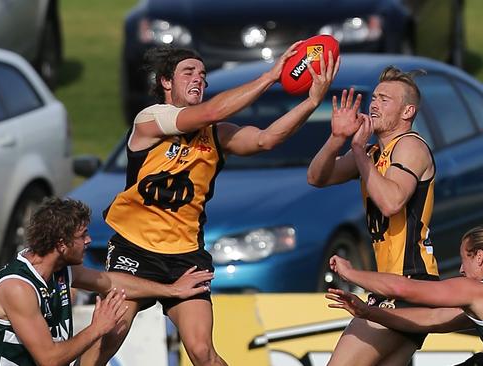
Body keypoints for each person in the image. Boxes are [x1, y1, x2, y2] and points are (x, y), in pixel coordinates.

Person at [81, 44, 339, 366]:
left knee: (202, 351)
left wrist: (312, 102)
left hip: (185, 255)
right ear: (165, 82)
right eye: (188, 72)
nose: (198, 79)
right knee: (110, 335)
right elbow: (212, 111)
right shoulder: (151, 119)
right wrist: (271, 76)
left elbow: (266, 139)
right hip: (135, 249)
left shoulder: (216, 135)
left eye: (202, 75)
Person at [0, 197, 213, 366]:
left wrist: (171, 290)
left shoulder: (62, 270)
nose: (88, 240)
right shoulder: (18, 288)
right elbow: (50, 360)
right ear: (61, 244)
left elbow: (109, 281)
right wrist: (97, 328)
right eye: (82, 235)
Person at [307, 65, 437, 364]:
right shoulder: (372, 154)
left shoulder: (410, 147)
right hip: (391, 285)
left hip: (409, 284)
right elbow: (317, 177)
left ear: (408, 111)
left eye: (385, 99)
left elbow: (392, 202)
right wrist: (338, 139)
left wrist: (358, 152)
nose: (374, 104)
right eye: (374, 98)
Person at [326, 225, 483, 366]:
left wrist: (351, 273)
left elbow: (404, 289)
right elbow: (432, 320)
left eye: (464, 259)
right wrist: (369, 312)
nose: (461, 269)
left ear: (479, 256)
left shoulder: (481, 290)